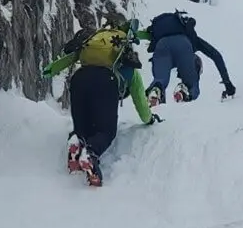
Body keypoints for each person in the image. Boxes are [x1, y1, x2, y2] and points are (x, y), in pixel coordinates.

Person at [41, 16, 162, 187]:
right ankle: (90, 153)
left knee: (83, 129)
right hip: (106, 82)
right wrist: (149, 119)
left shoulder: (92, 43)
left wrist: (49, 70)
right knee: (106, 132)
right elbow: (141, 104)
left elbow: (69, 58)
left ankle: (77, 141)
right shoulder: (128, 68)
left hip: (79, 79)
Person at [142, 10, 236, 106]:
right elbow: (216, 55)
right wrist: (227, 83)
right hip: (183, 45)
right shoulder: (190, 37)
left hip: (161, 45)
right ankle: (185, 90)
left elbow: (141, 35)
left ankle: (156, 89)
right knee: (192, 84)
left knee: (160, 79)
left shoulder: (161, 33)